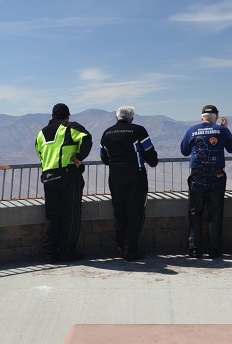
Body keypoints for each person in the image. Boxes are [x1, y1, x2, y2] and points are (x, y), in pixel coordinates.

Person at [35, 103, 92, 263]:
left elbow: (39, 152)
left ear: (53, 115)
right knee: (71, 214)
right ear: (67, 115)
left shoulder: (41, 133)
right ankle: (67, 252)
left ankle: (50, 253)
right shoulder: (69, 127)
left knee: (52, 216)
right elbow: (86, 138)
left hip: (48, 177)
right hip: (68, 175)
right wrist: (79, 157)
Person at [100, 106, 158, 261]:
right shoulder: (138, 130)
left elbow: (104, 157)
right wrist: (151, 160)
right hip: (135, 176)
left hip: (115, 176)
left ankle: (121, 247)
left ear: (116, 117)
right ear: (132, 118)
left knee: (120, 212)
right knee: (135, 213)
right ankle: (130, 250)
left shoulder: (106, 133)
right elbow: (150, 154)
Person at [180, 104, 232, 258]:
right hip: (217, 176)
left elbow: (184, 151)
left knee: (195, 212)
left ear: (201, 117)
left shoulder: (191, 130)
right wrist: (224, 129)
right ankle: (215, 250)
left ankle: (195, 249)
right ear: (216, 117)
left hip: (197, 176)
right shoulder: (221, 130)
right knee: (215, 213)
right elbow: (231, 148)